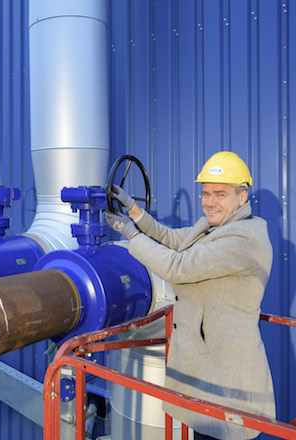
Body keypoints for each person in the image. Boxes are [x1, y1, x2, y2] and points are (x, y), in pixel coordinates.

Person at [105, 151, 275, 440]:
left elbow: (177, 266)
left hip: (227, 380)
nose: (210, 202)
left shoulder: (244, 239)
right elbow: (173, 239)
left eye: (220, 194)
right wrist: (134, 211)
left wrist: (131, 235)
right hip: (205, 371)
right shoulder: (215, 226)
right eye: (206, 194)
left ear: (242, 197)